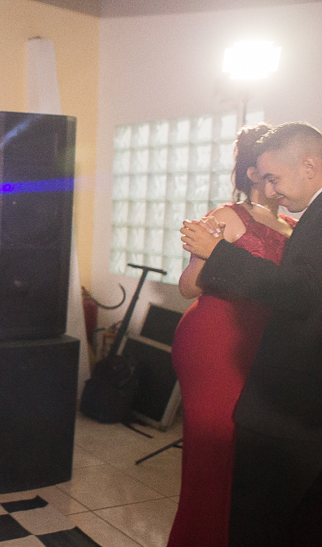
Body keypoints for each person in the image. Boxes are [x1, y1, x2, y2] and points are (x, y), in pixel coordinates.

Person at [181, 121, 322, 545]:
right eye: (266, 178)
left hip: (267, 344)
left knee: (248, 461)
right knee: (217, 445)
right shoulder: (228, 215)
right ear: (251, 174)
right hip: (219, 339)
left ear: (307, 166)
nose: (272, 188)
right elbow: (189, 286)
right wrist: (212, 254)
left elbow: (301, 290)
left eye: (276, 177)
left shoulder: (298, 224)